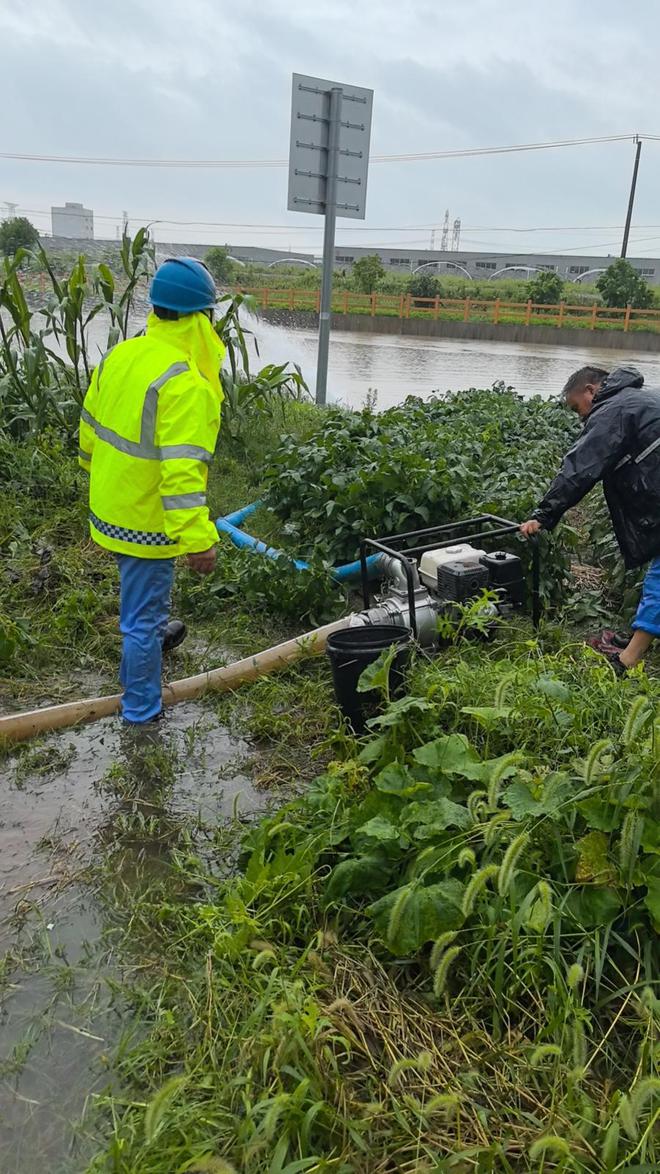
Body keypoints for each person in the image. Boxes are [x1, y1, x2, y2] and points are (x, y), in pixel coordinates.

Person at [78, 257, 225, 724]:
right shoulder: (185, 382)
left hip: (110, 505)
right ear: (201, 317)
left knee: (142, 607)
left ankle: (154, 638)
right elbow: (181, 480)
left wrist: (104, 480)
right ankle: (141, 711)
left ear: (157, 309)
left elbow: (89, 432)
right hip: (145, 521)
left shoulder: (122, 354)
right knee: (139, 619)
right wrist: (198, 541)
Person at [521, 364, 660, 675]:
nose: (579, 417)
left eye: (576, 407)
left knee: (659, 581)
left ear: (591, 390)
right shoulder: (640, 398)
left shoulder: (613, 409)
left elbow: (581, 467)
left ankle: (627, 661)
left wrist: (544, 514)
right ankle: (638, 641)